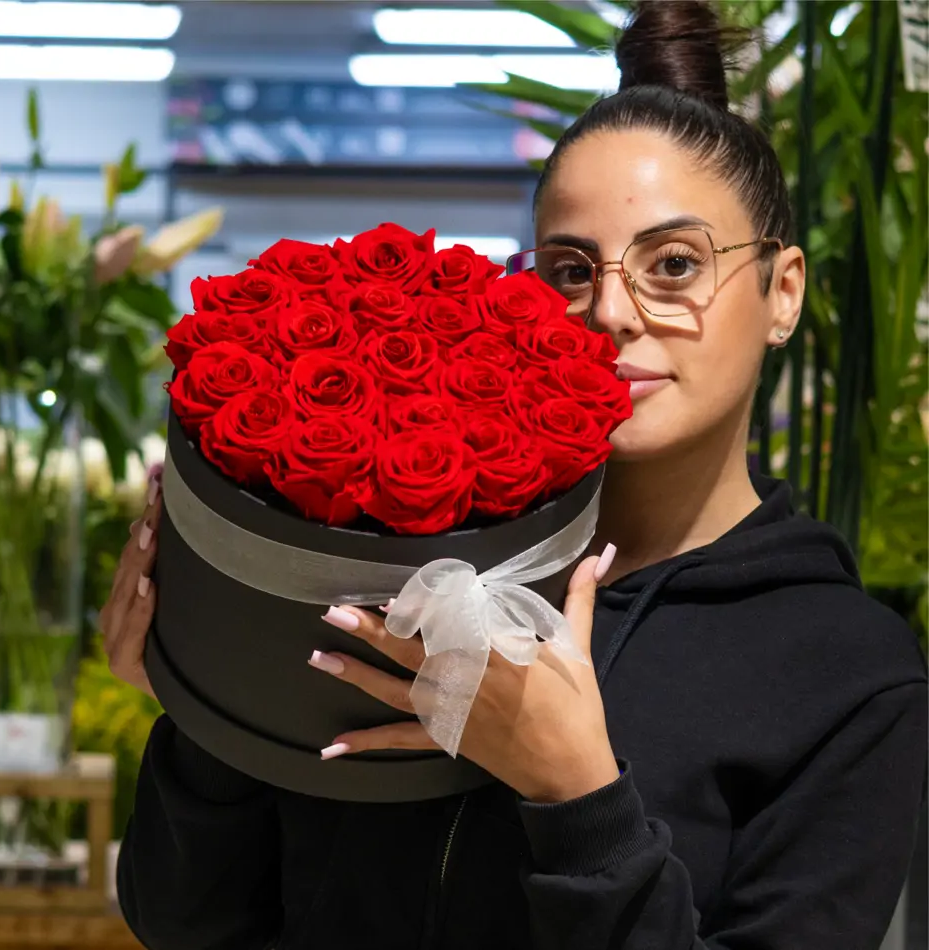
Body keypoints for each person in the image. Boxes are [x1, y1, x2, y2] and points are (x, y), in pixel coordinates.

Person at [102, 3, 927, 948]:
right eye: (570, 271)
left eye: (674, 264)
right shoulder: (413, 553)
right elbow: (190, 923)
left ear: (782, 293)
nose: (612, 311)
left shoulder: (848, 675)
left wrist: (576, 794)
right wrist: (212, 703)